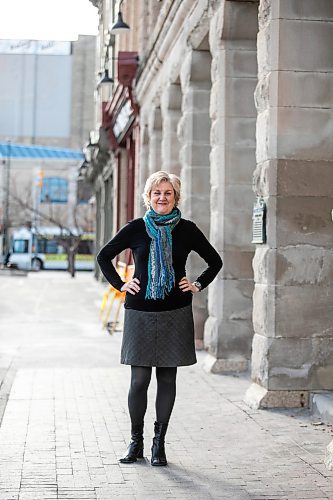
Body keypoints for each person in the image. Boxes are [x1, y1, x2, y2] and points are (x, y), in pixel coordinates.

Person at [97, 171, 222, 466]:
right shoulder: (136, 228)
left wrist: (197, 284)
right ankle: (136, 441)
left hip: (174, 312)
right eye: (157, 193)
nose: (162, 198)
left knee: (167, 378)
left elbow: (214, 261)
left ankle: (159, 444)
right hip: (139, 311)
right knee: (139, 380)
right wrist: (121, 284)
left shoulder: (187, 230)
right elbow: (104, 256)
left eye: (167, 193)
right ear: (148, 197)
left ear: (175, 197)